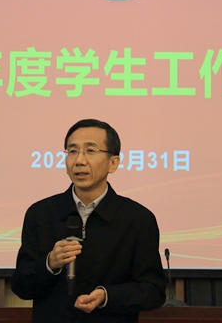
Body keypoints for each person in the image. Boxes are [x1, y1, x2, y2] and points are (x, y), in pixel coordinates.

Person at [11, 119, 166, 323]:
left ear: (113, 163)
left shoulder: (137, 219)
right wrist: (49, 263)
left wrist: (107, 296)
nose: (79, 161)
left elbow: (153, 291)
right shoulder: (40, 214)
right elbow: (21, 287)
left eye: (90, 151)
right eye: (72, 151)